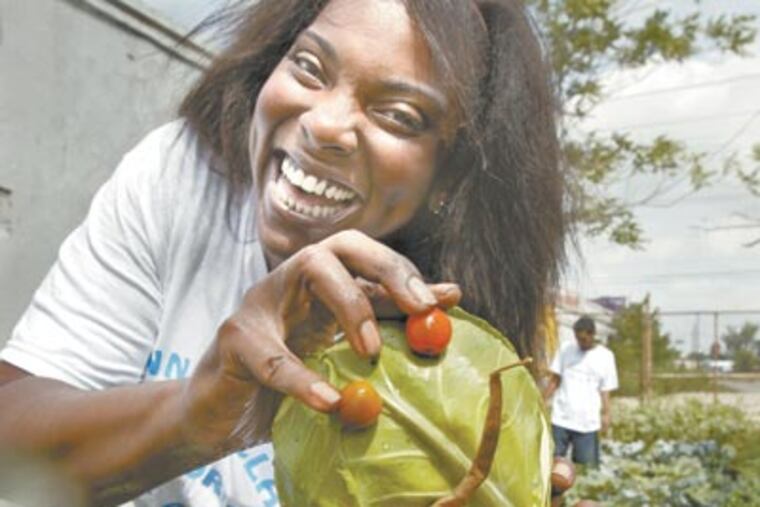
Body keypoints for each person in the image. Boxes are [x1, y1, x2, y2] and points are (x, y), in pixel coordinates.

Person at [0, 0, 566, 505]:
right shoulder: (188, 181)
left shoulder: (466, 345)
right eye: (309, 67)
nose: (323, 125)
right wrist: (195, 412)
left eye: (398, 115)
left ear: (451, 177)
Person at [543, 315, 619, 468]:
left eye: (583, 339)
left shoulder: (605, 357)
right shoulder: (565, 349)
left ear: (592, 335)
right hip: (561, 418)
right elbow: (555, 379)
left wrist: (606, 413)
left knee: (585, 468)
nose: (580, 343)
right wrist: (542, 400)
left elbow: (605, 390)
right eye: (577, 338)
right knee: (552, 466)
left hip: (587, 423)